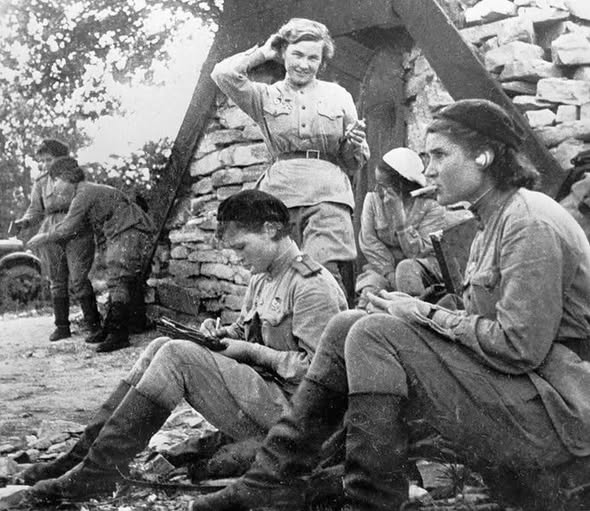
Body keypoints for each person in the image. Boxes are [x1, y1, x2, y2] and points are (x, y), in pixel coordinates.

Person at [186, 99, 590, 511]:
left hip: (556, 410)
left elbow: (518, 347)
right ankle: (269, 479)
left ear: (483, 156)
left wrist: (420, 313)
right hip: (520, 391)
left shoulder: (529, 221)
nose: (429, 170)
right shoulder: (491, 221)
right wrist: (409, 309)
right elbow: (482, 325)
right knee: (348, 324)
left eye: (439, 155)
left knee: (374, 333)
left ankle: (372, 501)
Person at [25, 189, 347, 501]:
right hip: (267, 399)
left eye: (241, 247)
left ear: (271, 229)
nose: (239, 258)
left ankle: (95, 475)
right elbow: (246, 330)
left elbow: (319, 378)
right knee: (160, 345)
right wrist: (220, 334)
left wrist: (251, 352)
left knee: (177, 356)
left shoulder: (311, 285)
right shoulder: (263, 277)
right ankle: (82, 459)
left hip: (299, 419)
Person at [211, 18, 369, 289]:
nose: (304, 64)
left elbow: (353, 161)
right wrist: (263, 53)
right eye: (297, 54)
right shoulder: (264, 96)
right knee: (276, 275)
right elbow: (222, 74)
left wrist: (353, 144)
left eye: (313, 58)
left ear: (322, 62)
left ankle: (327, 317)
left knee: (321, 274)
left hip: (328, 194)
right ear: (283, 52)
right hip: (278, 197)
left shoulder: (339, 96)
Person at [27, 157, 155, 353]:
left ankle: (118, 335)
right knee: (121, 277)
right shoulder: (83, 192)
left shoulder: (83, 194)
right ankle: (114, 327)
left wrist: (43, 237)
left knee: (118, 277)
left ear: (67, 177)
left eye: (56, 180)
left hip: (130, 227)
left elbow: (67, 227)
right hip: (124, 228)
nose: (54, 186)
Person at [356, 147, 469, 307]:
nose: (376, 190)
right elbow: (369, 242)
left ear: (401, 186)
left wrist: (400, 217)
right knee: (370, 289)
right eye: (376, 183)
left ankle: (413, 313)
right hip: (384, 267)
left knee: (406, 271)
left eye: (383, 185)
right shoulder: (373, 199)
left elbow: (416, 252)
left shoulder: (431, 206)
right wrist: (389, 273)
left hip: (421, 267)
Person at [15, 139, 100, 341]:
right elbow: (35, 209)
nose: (45, 164)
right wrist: (25, 222)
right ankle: (62, 326)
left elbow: (85, 199)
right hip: (50, 228)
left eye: (49, 159)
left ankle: (94, 325)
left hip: (76, 227)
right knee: (56, 279)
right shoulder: (40, 182)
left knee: (79, 278)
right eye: (42, 161)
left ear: (61, 158)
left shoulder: (74, 176)